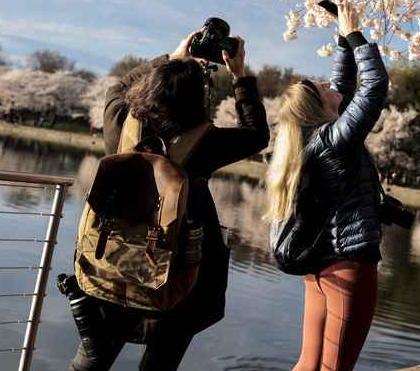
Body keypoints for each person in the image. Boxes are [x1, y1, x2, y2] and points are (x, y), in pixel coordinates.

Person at [69, 30, 270, 371]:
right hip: (178, 272)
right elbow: (257, 134)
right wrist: (239, 75)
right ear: (200, 99)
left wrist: (172, 58)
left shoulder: (120, 122)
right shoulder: (205, 143)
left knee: (96, 354)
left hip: (113, 258)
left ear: (149, 87)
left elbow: (117, 87)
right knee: (163, 356)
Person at [265, 3, 388, 371]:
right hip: (350, 266)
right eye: (322, 88)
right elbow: (374, 87)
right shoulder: (334, 141)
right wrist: (356, 38)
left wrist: (341, 42)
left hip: (319, 267)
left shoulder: (308, 142)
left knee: (309, 362)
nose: (329, 85)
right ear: (319, 107)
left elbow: (343, 85)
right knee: (335, 368)